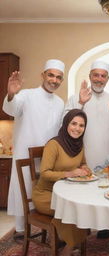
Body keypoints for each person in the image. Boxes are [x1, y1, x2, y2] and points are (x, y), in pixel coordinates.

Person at [63, 59, 109, 239]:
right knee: (84, 191)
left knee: (106, 190)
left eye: (103, 76)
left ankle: (105, 226)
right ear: (90, 76)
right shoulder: (75, 98)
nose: (99, 79)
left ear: (108, 78)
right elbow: (64, 124)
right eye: (96, 75)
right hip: (82, 154)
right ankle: (82, 226)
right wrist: (80, 104)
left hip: (108, 155)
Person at [2, 59, 65, 236]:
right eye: (51, 75)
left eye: (59, 77)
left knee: (44, 194)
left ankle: (47, 229)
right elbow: (11, 109)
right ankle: (21, 230)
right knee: (23, 192)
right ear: (43, 75)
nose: (54, 80)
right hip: (24, 153)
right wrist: (12, 94)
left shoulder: (60, 102)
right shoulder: (26, 95)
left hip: (47, 157)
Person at [32, 109, 91, 256]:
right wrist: (70, 174)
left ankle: (65, 240)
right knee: (72, 209)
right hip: (45, 194)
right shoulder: (54, 144)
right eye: (74, 123)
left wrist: (85, 168)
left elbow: (83, 163)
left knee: (82, 205)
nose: (77, 128)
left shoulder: (79, 144)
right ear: (66, 124)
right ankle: (67, 249)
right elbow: (44, 173)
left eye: (81, 125)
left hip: (67, 193)